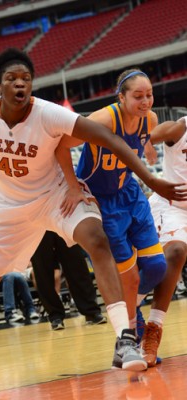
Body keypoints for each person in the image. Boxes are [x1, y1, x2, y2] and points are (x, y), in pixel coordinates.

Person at [0, 49, 185, 395]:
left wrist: (150, 178)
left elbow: (108, 138)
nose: (20, 83)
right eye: (12, 78)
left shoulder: (47, 113)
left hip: (55, 197)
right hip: (10, 207)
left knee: (97, 238)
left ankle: (125, 339)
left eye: (26, 79)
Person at [55, 69, 174, 354]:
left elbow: (139, 141)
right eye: (138, 96)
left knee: (158, 266)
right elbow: (60, 146)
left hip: (130, 195)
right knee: (129, 277)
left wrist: (146, 149)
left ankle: (131, 310)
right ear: (121, 97)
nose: (146, 101)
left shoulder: (151, 119)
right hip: (102, 201)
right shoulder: (103, 119)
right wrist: (72, 186)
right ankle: (132, 333)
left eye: (149, 95)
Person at [139, 116, 187, 366]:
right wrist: (147, 144)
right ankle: (152, 330)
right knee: (176, 251)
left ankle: (131, 303)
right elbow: (151, 134)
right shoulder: (182, 128)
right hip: (172, 207)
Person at [31, 230, 106, 330]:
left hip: (61, 217)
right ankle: (55, 315)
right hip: (36, 221)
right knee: (42, 269)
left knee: (76, 261)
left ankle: (91, 311)